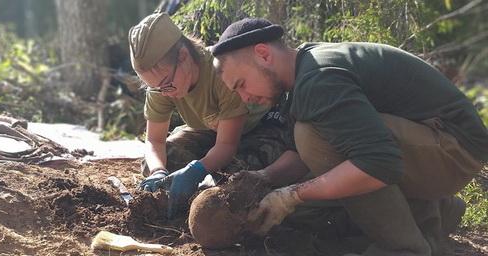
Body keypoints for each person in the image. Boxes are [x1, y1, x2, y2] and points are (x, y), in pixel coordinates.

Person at [210, 18, 488, 255]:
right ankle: (435, 212)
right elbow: (301, 157)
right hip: (432, 146)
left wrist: (291, 196)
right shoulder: (303, 73)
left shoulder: (318, 78)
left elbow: (379, 163)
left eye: (242, 84)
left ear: (263, 54)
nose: (245, 99)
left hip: (455, 150)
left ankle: (404, 247)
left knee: (313, 139)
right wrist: (265, 178)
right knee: (310, 200)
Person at [128, 13, 293, 218]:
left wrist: (197, 169)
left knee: (236, 175)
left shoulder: (222, 71)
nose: (164, 93)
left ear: (183, 56)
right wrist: (158, 172)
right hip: (210, 130)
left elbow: (226, 145)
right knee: (162, 160)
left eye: (166, 85)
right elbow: (154, 140)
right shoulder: (161, 86)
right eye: (155, 88)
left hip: (257, 127)